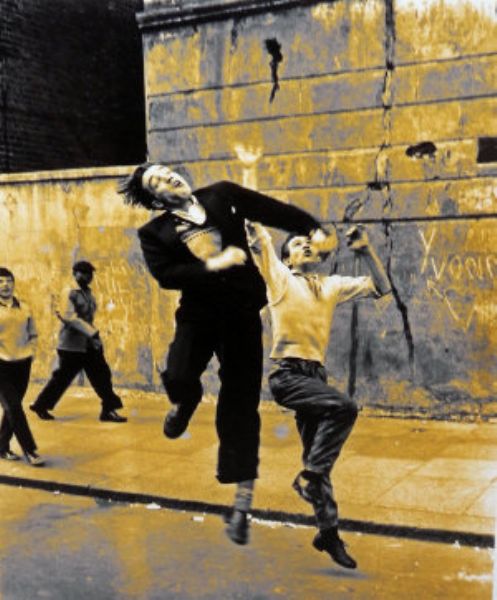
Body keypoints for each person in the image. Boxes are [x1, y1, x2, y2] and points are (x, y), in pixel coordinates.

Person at [118, 163, 327, 544]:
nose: (170, 177)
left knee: (240, 403)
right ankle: (184, 403)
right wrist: (213, 264)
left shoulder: (222, 194)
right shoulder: (154, 232)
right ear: (156, 200)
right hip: (198, 316)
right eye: (158, 181)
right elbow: (167, 275)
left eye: (167, 171)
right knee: (179, 375)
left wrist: (310, 227)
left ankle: (242, 503)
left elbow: (270, 209)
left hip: (241, 314)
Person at [245, 220, 391, 568]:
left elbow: (381, 287)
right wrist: (249, 211)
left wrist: (366, 249)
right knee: (345, 408)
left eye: (308, 242)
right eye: (296, 244)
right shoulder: (280, 279)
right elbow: (259, 237)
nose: (306, 245)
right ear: (287, 259)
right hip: (287, 375)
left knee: (317, 459)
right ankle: (309, 479)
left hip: (315, 377)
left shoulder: (331, 285)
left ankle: (328, 533)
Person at [29, 261, 127, 423]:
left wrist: (93, 337)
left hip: (88, 344)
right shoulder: (68, 292)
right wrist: (92, 332)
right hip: (71, 346)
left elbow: (88, 317)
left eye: (90, 273)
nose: (88, 276)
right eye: (84, 272)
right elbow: (68, 317)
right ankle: (41, 405)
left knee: (102, 376)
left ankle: (108, 410)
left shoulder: (87, 292)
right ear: (75, 273)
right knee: (62, 379)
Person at [0, 267, 44, 466]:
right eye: (1, 282)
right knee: (14, 407)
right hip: (1, 366)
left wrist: (31, 351)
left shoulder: (24, 307)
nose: (5, 285)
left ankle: (2, 447)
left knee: (13, 408)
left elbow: (33, 333)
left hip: (22, 364)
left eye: (8, 281)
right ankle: (30, 450)